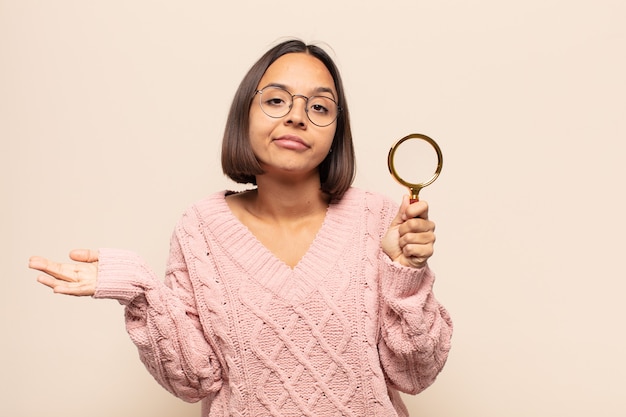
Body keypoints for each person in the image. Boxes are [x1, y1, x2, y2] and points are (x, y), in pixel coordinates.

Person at [29, 39, 453, 417]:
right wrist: (141, 292)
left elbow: (415, 374)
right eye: (276, 101)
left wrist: (406, 277)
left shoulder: (378, 220)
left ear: (336, 131)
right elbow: (194, 382)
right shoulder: (201, 229)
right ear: (244, 114)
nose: (297, 117)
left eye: (319, 106)